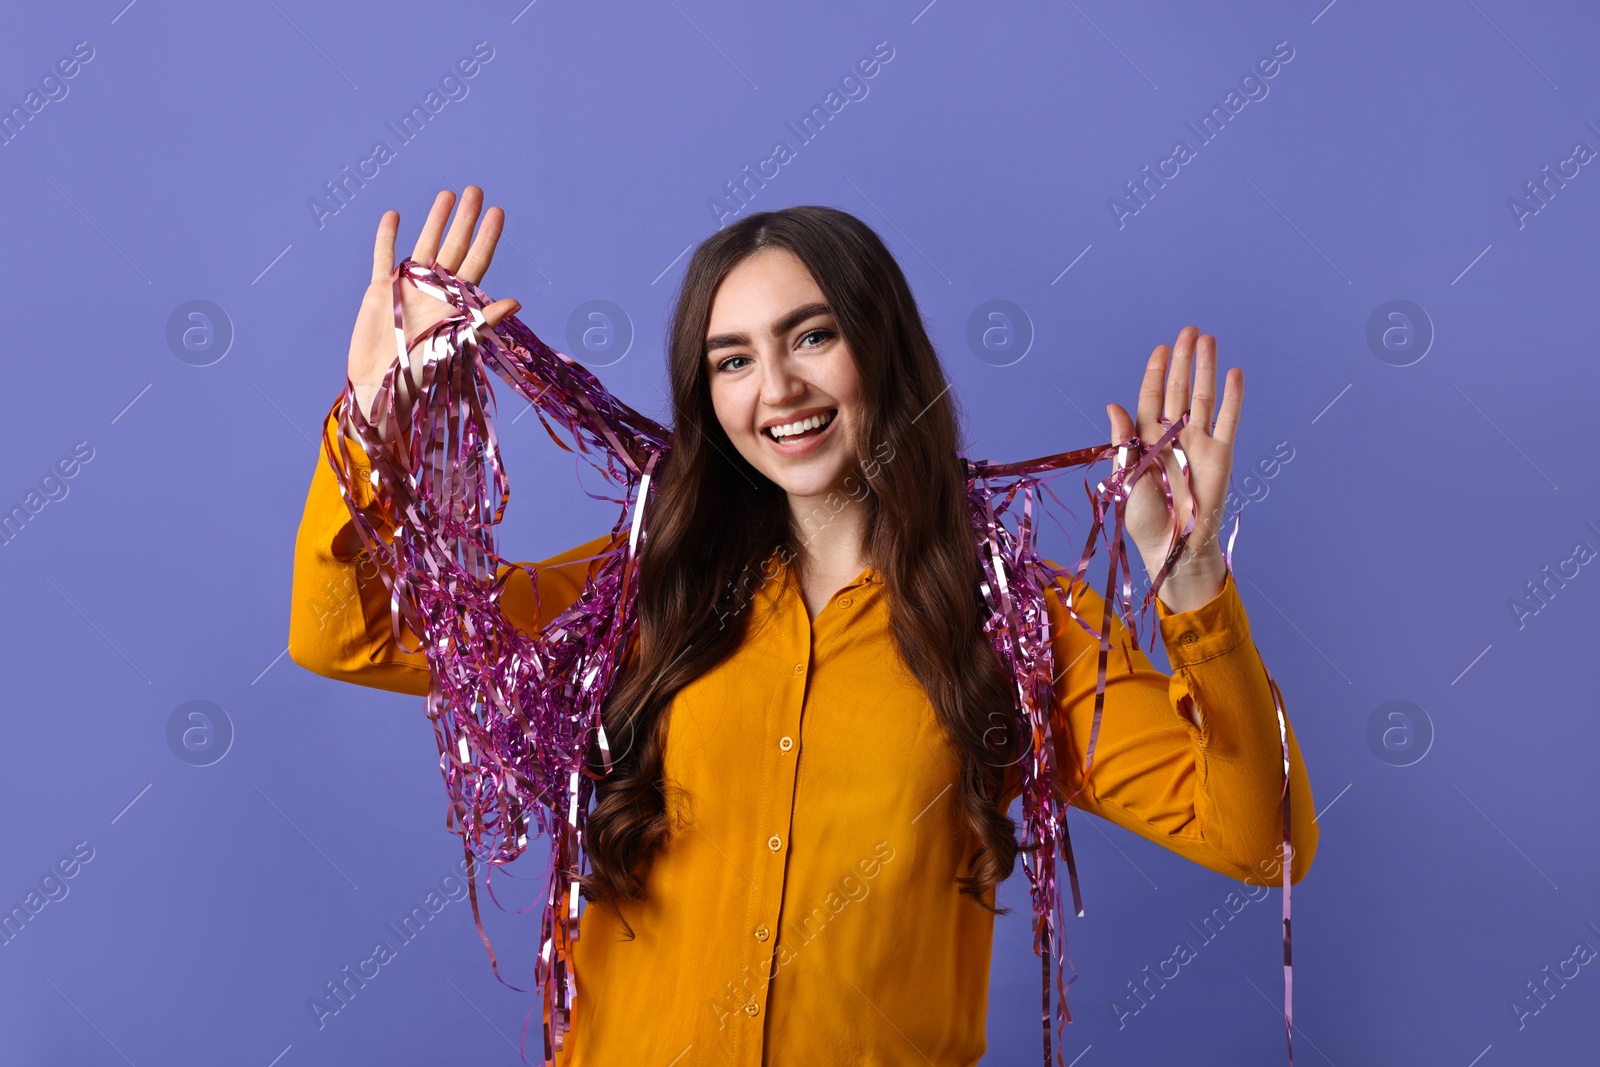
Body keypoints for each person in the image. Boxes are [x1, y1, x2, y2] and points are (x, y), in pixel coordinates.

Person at [289, 186, 1318, 1066]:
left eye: (811, 337)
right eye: (730, 359)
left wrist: (1185, 574)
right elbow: (351, 634)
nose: (775, 388)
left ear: (884, 350)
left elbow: (1255, 834)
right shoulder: (635, 595)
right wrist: (374, 414)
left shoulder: (1022, 624)